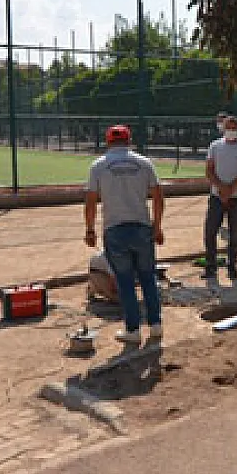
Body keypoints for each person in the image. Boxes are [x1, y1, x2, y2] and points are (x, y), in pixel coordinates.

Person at [84, 125, 165, 344]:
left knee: (126, 281)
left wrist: (90, 229)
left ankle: (133, 329)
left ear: (107, 141)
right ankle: (156, 325)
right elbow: (158, 196)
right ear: (129, 140)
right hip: (142, 228)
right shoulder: (144, 163)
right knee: (148, 277)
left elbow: (91, 200)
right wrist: (157, 226)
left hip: (115, 230)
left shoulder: (99, 166)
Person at [203, 115, 237, 281]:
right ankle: (211, 267)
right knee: (210, 232)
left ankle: (232, 266)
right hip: (216, 196)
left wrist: (230, 189)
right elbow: (209, 170)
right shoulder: (215, 146)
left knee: (235, 235)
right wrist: (221, 187)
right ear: (223, 128)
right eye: (228, 127)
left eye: (234, 128)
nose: (231, 131)